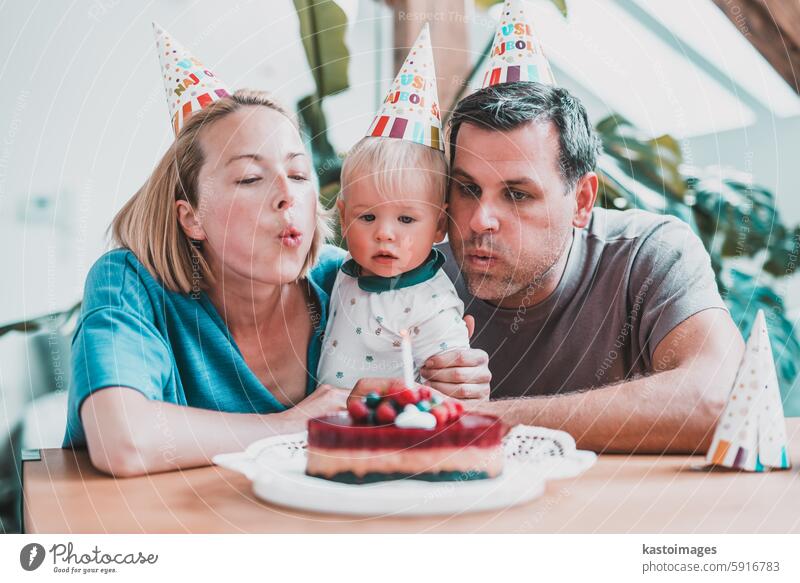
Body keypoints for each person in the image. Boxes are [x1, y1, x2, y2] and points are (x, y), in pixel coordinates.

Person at [62, 90, 491, 478]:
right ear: (191, 217)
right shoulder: (129, 283)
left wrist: (450, 387)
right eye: (251, 178)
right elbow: (122, 440)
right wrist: (291, 425)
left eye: (300, 175)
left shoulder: (347, 284)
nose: (287, 194)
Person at [437, 80, 744, 453]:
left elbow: (722, 398)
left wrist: (475, 421)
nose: (480, 220)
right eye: (467, 188)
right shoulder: (409, 270)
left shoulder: (646, 254)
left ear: (582, 201)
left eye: (517, 195)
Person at [318, 25, 469, 390]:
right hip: (327, 431)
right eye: (367, 216)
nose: (384, 232)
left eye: (405, 219)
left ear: (439, 226)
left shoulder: (431, 302)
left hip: (396, 436)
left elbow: (449, 393)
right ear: (343, 215)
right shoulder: (341, 274)